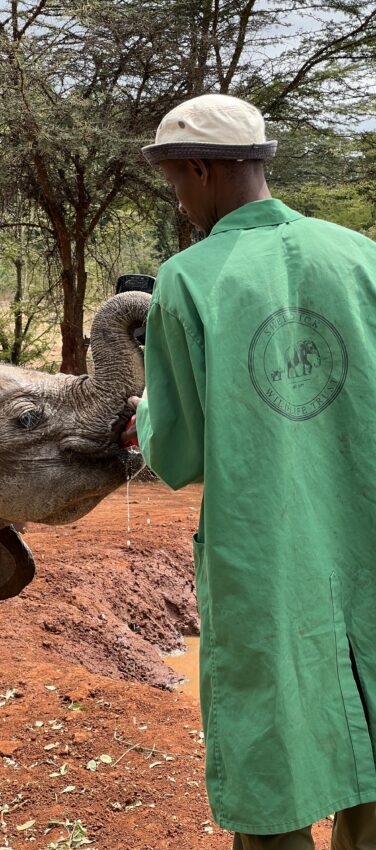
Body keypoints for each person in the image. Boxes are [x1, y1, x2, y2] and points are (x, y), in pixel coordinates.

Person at [122, 93, 376, 849]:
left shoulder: (189, 279)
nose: (180, 200)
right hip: (364, 535)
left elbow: (178, 454)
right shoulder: (361, 254)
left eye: (176, 183)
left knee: (273, 740)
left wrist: (142, 412)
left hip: (268, 559)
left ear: (199, 169)